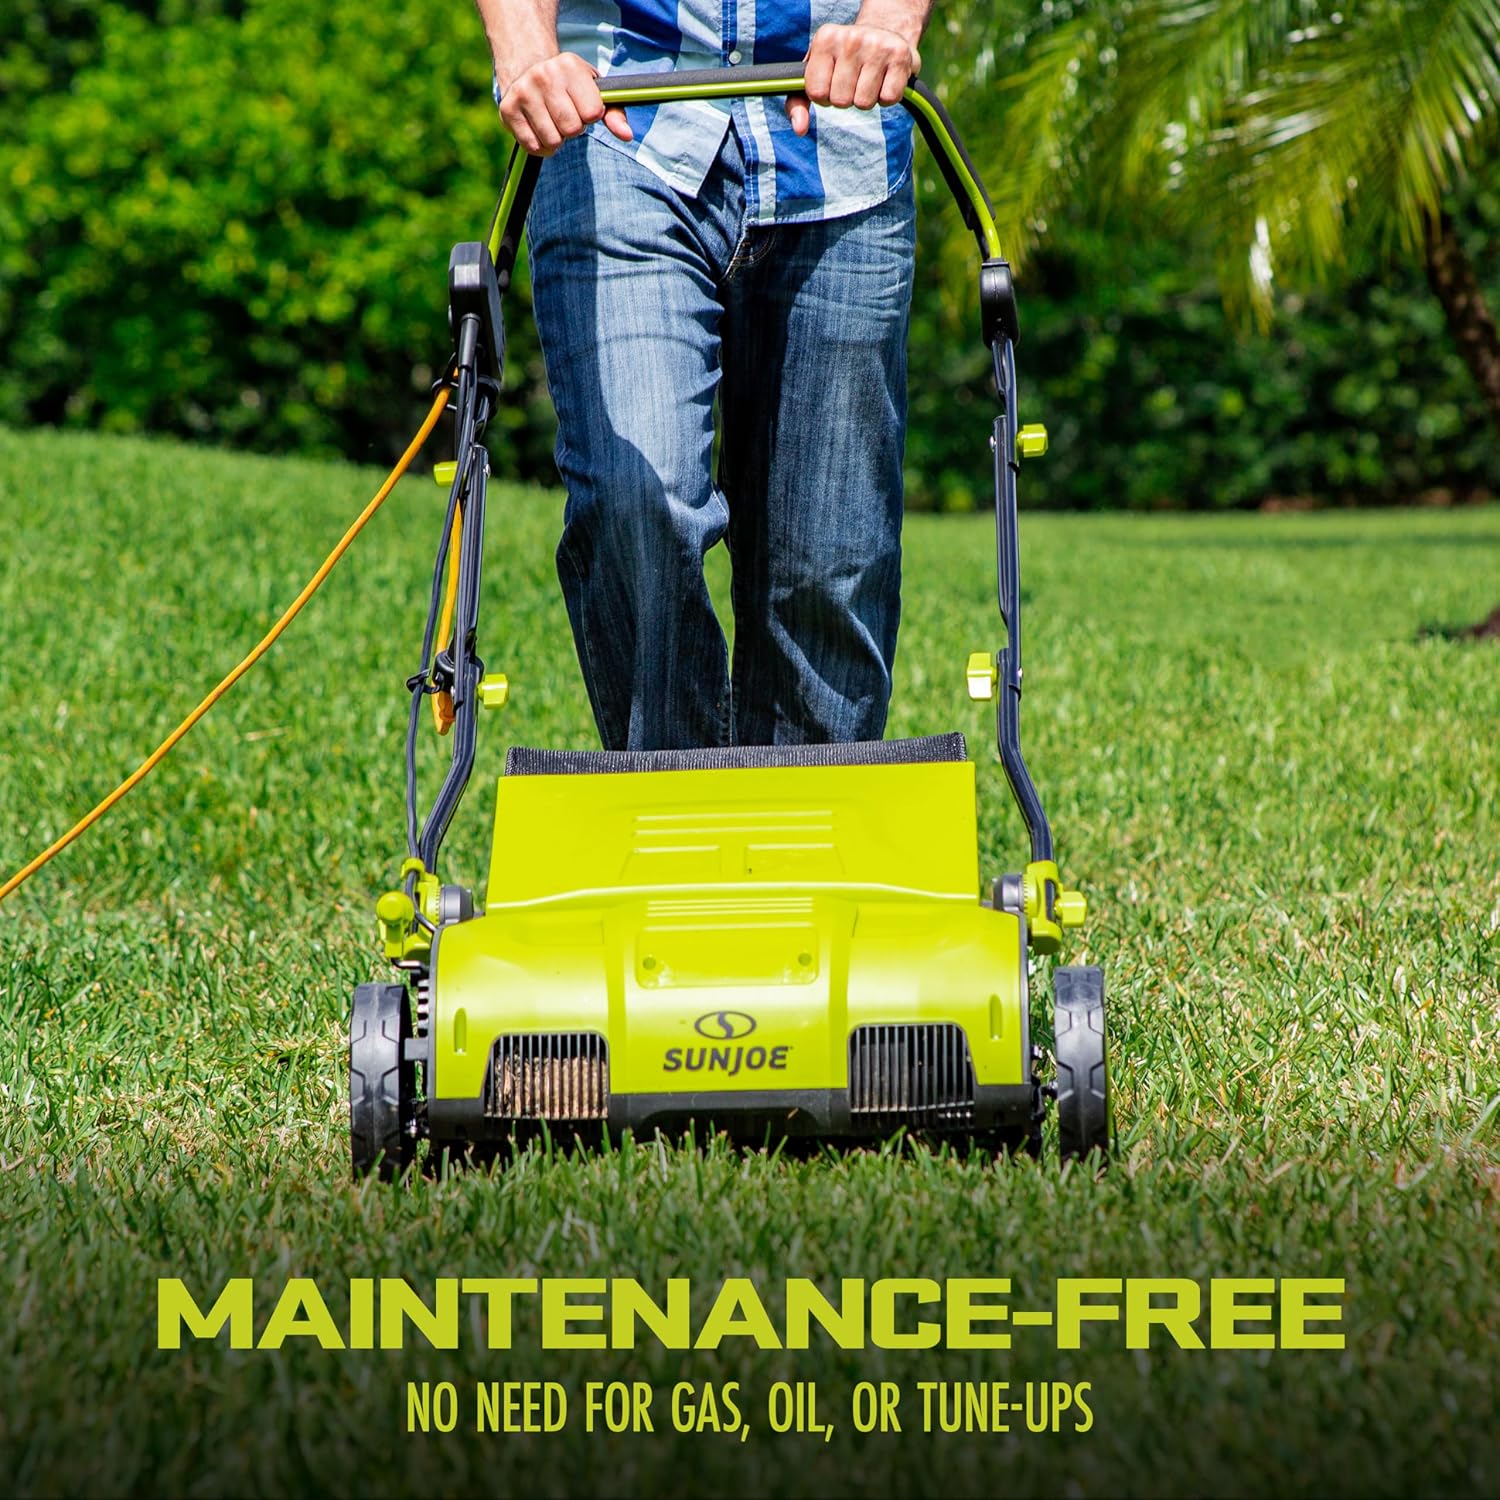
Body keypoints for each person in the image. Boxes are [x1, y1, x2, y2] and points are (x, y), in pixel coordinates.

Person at [474, 0, 931, 750]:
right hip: (617, 117)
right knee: (637, 498)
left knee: (828, 567)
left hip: (841, 125)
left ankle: (805, 814)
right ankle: (669, 795)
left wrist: (891, 22)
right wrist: (525, 52)